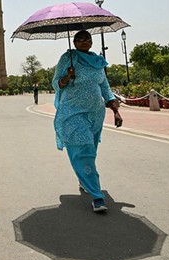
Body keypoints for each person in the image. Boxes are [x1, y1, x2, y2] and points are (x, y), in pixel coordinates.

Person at [52, 30, 123, 212]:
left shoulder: (98, 61)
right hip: (73, 112)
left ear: (91, 42)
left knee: (90, 150)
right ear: (74, 42)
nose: (84, 42)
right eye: (80, 39)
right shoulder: (68, 59)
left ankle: (84, 180)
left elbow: (104, 86)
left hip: (95, 113)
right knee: (84, 149)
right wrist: (67, 76)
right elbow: (55, 84)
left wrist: (115, 110)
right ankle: (97, 196)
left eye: (87, 39)